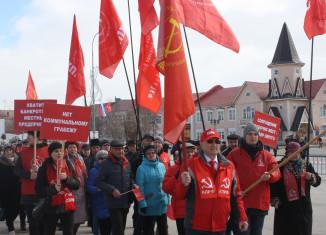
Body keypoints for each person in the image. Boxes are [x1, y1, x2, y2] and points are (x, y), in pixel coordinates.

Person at [176, 129, 248, 235]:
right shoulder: (190, 165)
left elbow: (236, 195)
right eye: (210, 141)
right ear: (201, 144)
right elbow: (179, 195)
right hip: (196, 227)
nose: (214, 144)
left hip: (221, 226)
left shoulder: (229, 166)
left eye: (217, 141)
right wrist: (183, 184)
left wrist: (242, 217)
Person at [228, 124, 281, 235]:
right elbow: (227, 175)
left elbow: (276, 172)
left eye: (255, 134)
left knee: (257, 233)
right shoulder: (234, 154)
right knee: (243, 233)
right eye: (250, 134)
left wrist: (270, 176)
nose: (253, 136)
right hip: (242, 202)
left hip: (260, 202)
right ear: (244, 136)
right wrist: (234, 191)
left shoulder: (267, 155)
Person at [271, 141, 321, 235]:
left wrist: (311, 177)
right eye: (291, 152)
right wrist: (275, 199)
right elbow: (273, 185)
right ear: (287, 153)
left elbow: (317, 181)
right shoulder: (279, 166)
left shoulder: (306, 165)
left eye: (297, 152)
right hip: (285, 208)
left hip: (303, 208)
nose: (294, 154)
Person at [35, 142, 80, 235]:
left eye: (61, 151)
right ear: (50, 153)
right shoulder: (44, 167)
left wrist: (67, 178)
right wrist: (54, 189)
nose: (59, 153)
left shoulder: (68, 164)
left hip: (67, 204)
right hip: (50, 205)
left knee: (68, 232)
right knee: (48, 231)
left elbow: (77, 184)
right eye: (56, 151)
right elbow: (39, 189)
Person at [14, 131, 48, 235]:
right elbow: (16, 170)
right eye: (28, 136)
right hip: (29, 193)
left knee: (45, 224)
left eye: (30, 136)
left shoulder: (48, 151)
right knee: (33, 223)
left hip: (45, 192)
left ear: (39, 138)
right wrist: (29, 175)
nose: (28, 138)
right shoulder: (23, 152)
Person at [96, 140, 133, 235]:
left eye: (121, 149)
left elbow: (130, 178)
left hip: (125, 201)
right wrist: (112, 189)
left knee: (122, 227)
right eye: (117, 149)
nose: (120, 151)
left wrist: (134, 185)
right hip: (113, 202)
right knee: (118, 228)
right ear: (111, 150)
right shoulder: (105, 164)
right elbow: (99, 182)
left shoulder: (126, 162)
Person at [162, 142, 196, 235]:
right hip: (181, 211)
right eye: (187, 152)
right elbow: (166, 188)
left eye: (192, 152)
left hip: (197, 211)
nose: (190, 154)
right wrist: (176, 177)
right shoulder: (173, 169)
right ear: (180, 154)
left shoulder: (199, 167)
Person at [136, 145, 169, 235]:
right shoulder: (141, 168)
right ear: (145, 155)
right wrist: (142, 204)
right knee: (148, 230)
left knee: (163, 229)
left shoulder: (161, 166)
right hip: (149, 205)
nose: (151, 155)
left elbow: (166, 184)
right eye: (148, 153)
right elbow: (138, 189)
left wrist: (168, 199)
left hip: (162, 204)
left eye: (153, 153)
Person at [65, 142, 88, 235]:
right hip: (70, 190)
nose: (73, 149)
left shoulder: (80, 158)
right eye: (70, 147)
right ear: (66, 148)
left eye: (74, 147)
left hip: (81, 190)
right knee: (71, 216)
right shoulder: (64, 158)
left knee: (80, 217)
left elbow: (84, 172)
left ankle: (74, 231)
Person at [86, 150, 111, 235]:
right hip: (98, 201)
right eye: (101, 158)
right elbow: (89, 187)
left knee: (110, 226)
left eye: (106, 158)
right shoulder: (93, 171)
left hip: (110, 201)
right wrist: (97, 189)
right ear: (97, 159)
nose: (103, 160)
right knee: (100, 226)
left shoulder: (111, 169)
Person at [0, 145, 20, 235]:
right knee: (8, 208)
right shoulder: (1, 162)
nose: (9, 152)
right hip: (5, 189)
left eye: (10, 150)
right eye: (7, 150)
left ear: (13, 151)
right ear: (4, 152)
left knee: (16, 209)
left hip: (17, 188)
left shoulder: (17, 161)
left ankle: (9, 221)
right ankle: (10, 226)